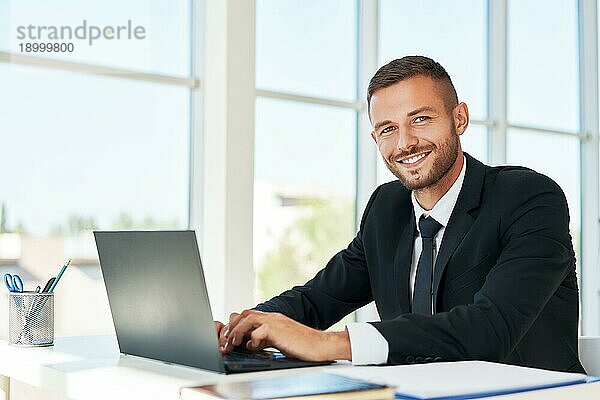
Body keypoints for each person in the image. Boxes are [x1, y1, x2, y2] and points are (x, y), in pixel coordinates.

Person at [215, 56, 585, 373]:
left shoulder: (529, 198)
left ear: (460, 119)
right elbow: (318, 299)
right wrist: (247, 327)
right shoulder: (386, 209)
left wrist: (332, 344)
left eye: (420, 119)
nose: (405, 142)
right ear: (376, 140)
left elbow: (490, 328)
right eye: (388, 129)